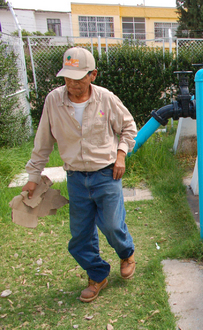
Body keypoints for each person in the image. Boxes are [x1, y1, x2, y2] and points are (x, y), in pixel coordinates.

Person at [22, 47, 137, 303]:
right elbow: (43, 142)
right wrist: (33, 176)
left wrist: (120, 154)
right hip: (75, 178)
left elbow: (129, 128)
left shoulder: (106, 99)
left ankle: (127, 253)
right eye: (67, 77)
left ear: (92, 75)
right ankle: (97, 275)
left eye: (78, 77)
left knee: (112, 225)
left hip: (107, 175)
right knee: (79, 236)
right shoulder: (54, 100)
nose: (72, 84)